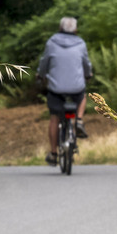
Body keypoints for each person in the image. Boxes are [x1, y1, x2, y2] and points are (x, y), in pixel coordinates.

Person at [35, 17, 92, 166]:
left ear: (60, 28)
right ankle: (78, 119)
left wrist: (40, 74)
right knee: (83, 95)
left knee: (54, 118)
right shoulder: (81, 44)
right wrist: (88, 74)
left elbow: (44, 62)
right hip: (76, 87)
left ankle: (54, 154)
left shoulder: (52, 43)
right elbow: (86, 63)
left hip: (56, 88)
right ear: (75, 29)